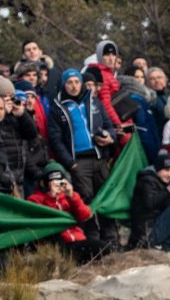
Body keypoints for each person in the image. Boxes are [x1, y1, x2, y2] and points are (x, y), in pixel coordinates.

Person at [47, 68, 118, 244]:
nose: (74, 86)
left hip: (99, 157)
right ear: (64, 84)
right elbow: (56, 140)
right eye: (69, 82)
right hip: (78, 161)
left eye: (77, 82)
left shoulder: (94, 102)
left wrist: (110, 137)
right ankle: (93, 239)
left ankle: (112, 238)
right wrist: (70, 164)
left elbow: (110, 125)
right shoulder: (58, 107)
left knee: (105, 197)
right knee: (86, 199)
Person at [27, 162, 110, 263]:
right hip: (57, 243)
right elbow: (45, 221)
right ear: (44, 183)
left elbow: (85, 215)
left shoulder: (68, 196)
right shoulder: (35, 199)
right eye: (53, 181)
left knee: (104, 247)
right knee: (55, 235)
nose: (57, 184)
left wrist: (72, 196)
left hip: (76, 241)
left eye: (60, 180)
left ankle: (76, 261)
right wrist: (51, 197)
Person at [0, 94, 37, 197]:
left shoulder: (14, 119)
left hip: (18, 178)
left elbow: (32, 134)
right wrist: (6, 178)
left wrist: (22, 114)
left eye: (1, 108)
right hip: (0, 181)